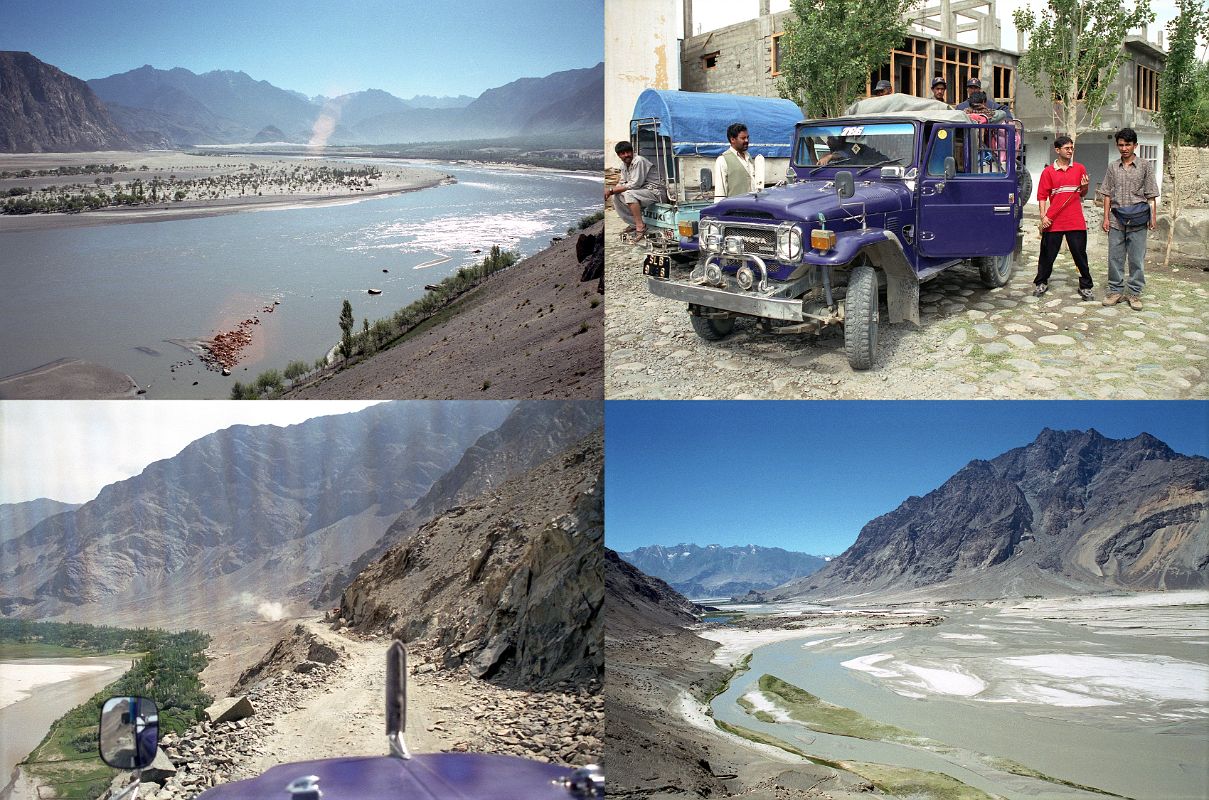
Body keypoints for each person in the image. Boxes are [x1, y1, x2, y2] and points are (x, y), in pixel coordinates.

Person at [1097, 127, 1158, 310]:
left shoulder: (1145, 166)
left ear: (1135, 146)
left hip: (1139, 219)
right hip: (1117, 219)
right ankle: (1115, 291)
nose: (1124, 148)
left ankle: (1134, 293)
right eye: (1121, 145)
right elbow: (1106, 194)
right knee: (1114, 257)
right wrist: (1105, 218)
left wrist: (1153, 216)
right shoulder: (1112, 167)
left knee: (1136, 258)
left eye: (1128, 145)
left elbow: (1151, 195)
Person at [1033, 136, 1093, 300]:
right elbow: (1042, 196)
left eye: (1072, 148)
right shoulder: (1048, 172)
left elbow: (1082, 193)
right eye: (1067, 148)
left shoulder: (1080, 168)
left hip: (1075, 220)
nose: (1070, 151)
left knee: (1080, 254)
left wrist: (1086, 185)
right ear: (1057, 150)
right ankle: (1041, 282)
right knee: (1047, 254)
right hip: (1054, 220)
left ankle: (1086, 285)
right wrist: (1043, 216)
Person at [605, 141, 663, 238]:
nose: (627, 155)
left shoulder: (638, 160)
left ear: (632, 151)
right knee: (617, 197)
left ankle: (640, 227)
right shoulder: (624, 165)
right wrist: (612, 191)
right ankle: (634, 224)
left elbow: (635, 184)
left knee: (628, 194)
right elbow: (622, 182)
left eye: (628, 152)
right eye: (623, 153)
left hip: (656, 192)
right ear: (619, 155)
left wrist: (611, 190)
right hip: (642, 192)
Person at [712, 122, 765, 199]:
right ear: (732, 139)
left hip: (752, 205)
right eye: (743, 138)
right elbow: (720, 192)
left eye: (747, 137)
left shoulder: (748, 157)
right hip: (735, 207)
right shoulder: (722, 160)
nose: (747, 140)